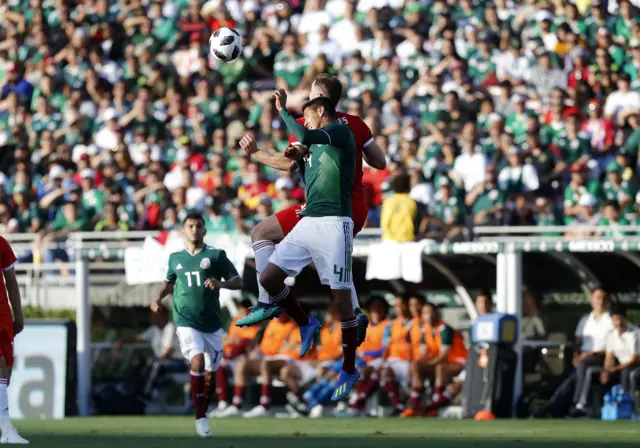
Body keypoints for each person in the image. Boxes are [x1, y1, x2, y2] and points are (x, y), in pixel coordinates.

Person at [237, 73, 387, 346]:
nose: (307, 100)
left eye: (310, 95)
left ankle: (266, 301)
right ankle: (352, 313)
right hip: (357, 206)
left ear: (319, 100)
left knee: (262, 232)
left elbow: (286, 164)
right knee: (333, 265)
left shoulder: (310, 124)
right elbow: (379, 161)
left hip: (328, 206)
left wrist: (256, 153)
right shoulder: (354, 124)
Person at [250, 90, 361, 402]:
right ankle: (305, 321)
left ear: (321, 113)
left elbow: (303, 132)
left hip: (335, 224)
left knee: (341, 301)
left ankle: (350, 367)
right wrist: (257, 153)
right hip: (309, 220)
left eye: (308, 115)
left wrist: (283, 111)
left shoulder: (338, 130)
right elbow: (288, 158)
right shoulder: (309, 142)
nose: (304, 120)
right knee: (269, 278)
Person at [150, 213, 244, 437]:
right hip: (185, 319)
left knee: (211, 374)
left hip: (211, 323)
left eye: (198, 226)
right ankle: (200, 416)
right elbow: (169, 283)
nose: (194, 229)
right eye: (190, 226)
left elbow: (239, 281)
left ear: (205, 230)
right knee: (197, 359)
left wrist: (220, 283)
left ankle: (205, 405)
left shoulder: (216, 255)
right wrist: (157, 299)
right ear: (183, 231)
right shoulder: (175, 258)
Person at [534, 288, 613, 418]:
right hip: (584, 357)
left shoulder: (610, 320)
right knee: (570, 377)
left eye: (604, 298)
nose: (601, 301)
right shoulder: (585, 320)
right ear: (591, 300)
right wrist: (576, 355)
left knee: (582, 367)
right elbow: (578, 341)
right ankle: (554, 408)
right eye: (598, 298)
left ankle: (578, 404)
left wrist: (587, 355)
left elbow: (612, 346)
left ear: (608, 301)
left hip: (602, 357)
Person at [402, 303, 468, 417]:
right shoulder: (425, 330)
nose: (430, 315)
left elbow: (443, 355)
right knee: (416, 365)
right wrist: (417, 365)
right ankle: (414, 405)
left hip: (459, 361)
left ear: (437, 313)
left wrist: (428, 364)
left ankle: (434, 406)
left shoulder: (444, 329)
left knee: (440, 368)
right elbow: (424, 353)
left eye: (432, 312)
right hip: (444, 362)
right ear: (422, 315)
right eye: (426, 313)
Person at [577, 306, 639, 415]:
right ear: (612, 320)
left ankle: (628, 407)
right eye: (616, 319)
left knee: (628, 374)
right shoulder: (611, 335)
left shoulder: (636, 334)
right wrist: (606, 371)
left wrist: (615, 369)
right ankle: (585, 407)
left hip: (635, 366)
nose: (619, 323)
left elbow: (635, 359)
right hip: (620, 367)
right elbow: (609, 357)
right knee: (594, 373)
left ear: (626, 319)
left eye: (621, 319)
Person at [113, 306, 183, 397]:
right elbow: (137, 338)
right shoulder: (154, 329)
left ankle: (148, 393)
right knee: (137, 365)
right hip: (161, 362)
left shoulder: (171, 328)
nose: (152, 318)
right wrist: (121, 342)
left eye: (155, 315)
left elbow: (168, 352)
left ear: (164, 316)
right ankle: (129, 391)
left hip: (177, 362)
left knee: (152, 366)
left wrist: (152, 362)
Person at [0, 237, 28, 444]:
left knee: (5, 374)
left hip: (2, 315)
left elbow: (11, 280)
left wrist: (18, 314)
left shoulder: (1, 243)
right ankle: (7, 429)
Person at [210, 299, 260, 417]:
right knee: (219, 366)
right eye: (241, 311)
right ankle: (222, 404)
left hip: (244, 358)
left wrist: (236, 341)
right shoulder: (235, 321)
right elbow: (226, 339)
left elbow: (248, 344)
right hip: (230, 355)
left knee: (239, 358)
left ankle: (237, 404)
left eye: (245, 312)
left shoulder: (255, 325)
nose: (242, 314)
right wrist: (231, 341)